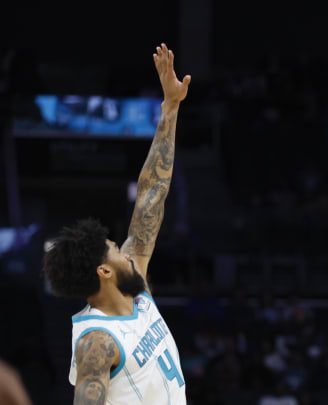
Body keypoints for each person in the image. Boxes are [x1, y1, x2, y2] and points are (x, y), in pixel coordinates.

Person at [42, 43, 191, 404]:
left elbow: (151, 194)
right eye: (114, 250)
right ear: (104, 272)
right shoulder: (97, 340)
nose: (124, 251)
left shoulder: (135, 285)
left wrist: (169, 108)